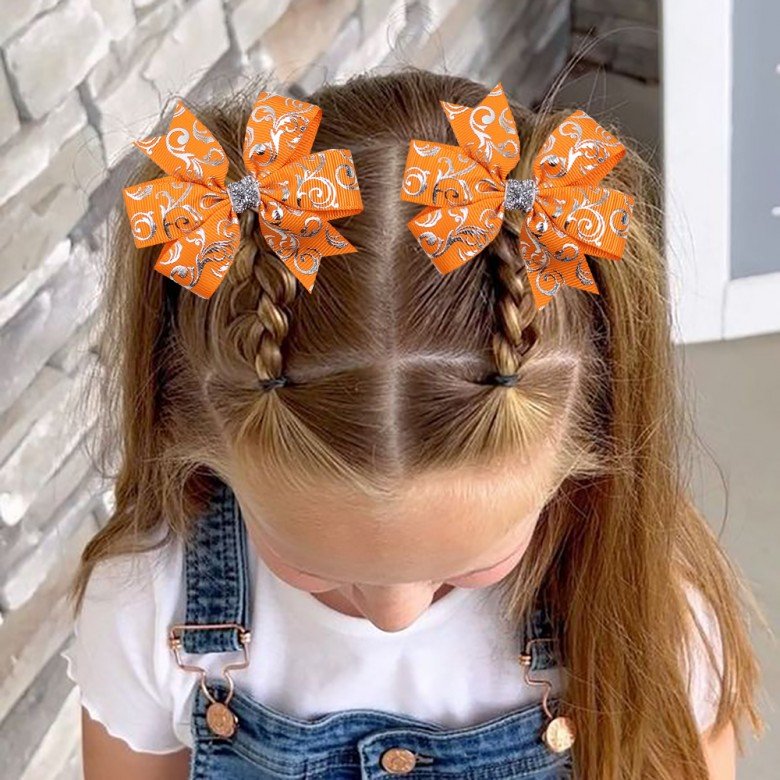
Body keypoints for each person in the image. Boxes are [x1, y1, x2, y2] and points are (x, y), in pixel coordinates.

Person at [64, 70, 761, 780]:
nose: (394, 615)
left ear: (589, 449)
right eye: (315, 566)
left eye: (466, 566)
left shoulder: (655, 621)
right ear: (195, 437)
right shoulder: (149, 611)